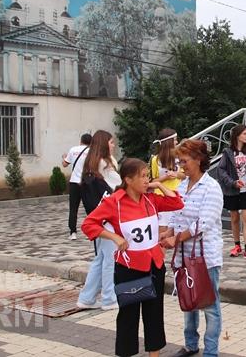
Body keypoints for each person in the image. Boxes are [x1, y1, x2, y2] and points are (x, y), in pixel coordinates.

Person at [81, 158, 184, 357]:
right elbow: (89, 224)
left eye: (148, 176)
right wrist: (113, 237)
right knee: (128, 316)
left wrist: (159, 184)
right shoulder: (114, 202)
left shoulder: (151, 199)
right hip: (129, 268)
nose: (147, 180)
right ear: (128, 179)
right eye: (143, 176)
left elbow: (176, 202)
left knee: (154, 314)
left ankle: (154, 354)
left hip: (154, 265)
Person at [161, 139, 224, 357]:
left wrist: (176, 238)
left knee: (209, 306)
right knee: (188, 300)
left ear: (198, 160)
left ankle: (211, 351)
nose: (181, 166)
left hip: (205, 257)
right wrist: (168, 232)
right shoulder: (181, 185)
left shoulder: (212, 187)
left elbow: (203, 223)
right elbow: (176, 214)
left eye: (185, 161)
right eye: (179, 161)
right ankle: (190, 344)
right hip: (184, 258)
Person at [76, 130, 121, 311]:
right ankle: (109, 298)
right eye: (111, 142)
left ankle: (86, 298)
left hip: (98, 218)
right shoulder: (105, 165)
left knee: (100, 259)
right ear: (104, 144)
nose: (113, 145)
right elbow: (117, 189)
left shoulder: (90, 166)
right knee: (109, 259)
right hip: (108, 218)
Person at [217, 124, 246, 260]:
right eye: (244, 133)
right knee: (234, 218)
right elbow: (221, 170)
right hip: (232, 191)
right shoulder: (227, 152)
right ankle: (237, 245)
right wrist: (232, 182)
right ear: (237, 135)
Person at [150, 128, 184, 232]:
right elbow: (152, 181)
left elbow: (185, 175)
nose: (177, 142)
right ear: (168, 142)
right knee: (162, 230)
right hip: (162, 197)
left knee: (178, 229)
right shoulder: (155, 159)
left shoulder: (179, 156)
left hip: (178, 194)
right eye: (174, 140)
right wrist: (165, 177)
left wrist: (176, 174)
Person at [62, 133, 92, 240]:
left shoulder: (73, 150)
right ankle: (92, 231)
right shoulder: (92, 152)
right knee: (90, 207)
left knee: (73, 208)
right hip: (87, 182)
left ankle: (73, 232)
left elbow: (65, 164)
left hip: (74, 182)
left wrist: (64, 157)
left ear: (81, 141)